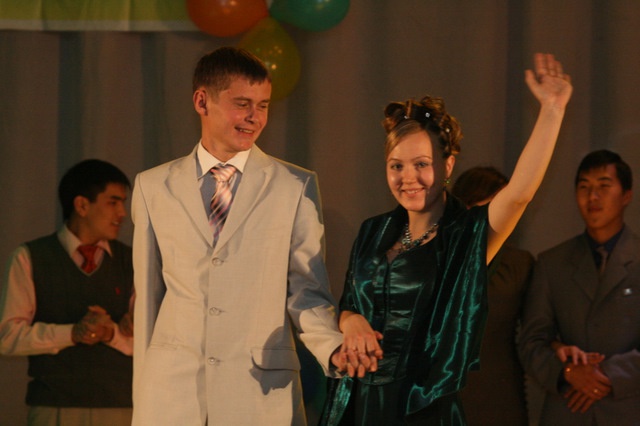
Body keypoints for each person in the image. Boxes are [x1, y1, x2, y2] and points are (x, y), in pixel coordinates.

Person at [320, 53, 573, 425]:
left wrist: (552, 110)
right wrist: (351, 321)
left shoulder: (465, 236)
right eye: (396, 165)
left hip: (420, 407)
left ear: (448, 165)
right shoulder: (373, 230)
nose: (408, 178)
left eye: (422, 164)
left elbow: (519, 194)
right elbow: (347, 304)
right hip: (357, 403)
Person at [130, 46, 346, 425]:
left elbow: (306, 289)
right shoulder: (153, 186)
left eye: (262, 106)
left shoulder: (294, 185)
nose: (254, 117)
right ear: (202, 101)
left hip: (259, 395)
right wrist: (145, 401)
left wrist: (333, 348)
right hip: (171, 396)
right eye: (242, 104)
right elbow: (148, 302)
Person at [0, 159, 134, 426]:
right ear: (82, 205)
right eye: (113, 202)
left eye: (123, 203)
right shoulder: (30, 257)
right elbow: (8, 336)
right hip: (55, 407)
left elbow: (149, 340)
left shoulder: (132, 260)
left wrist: (109, 333)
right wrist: (73, 333)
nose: (122, 213)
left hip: (120, 406)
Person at [518, 149, 640, 425]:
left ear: (626, 196)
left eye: (604, 186)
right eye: (584, 187)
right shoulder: (551, 263)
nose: (592, 197)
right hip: (568, 410)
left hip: (629, 409)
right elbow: (531, 342)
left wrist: (605, 375)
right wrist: (569, 373)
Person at [452, 166, 533, 426]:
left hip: (499, 396)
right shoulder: (436, 260)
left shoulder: (520, 264)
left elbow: (537, 331)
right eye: (487, 207)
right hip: (443, 394)